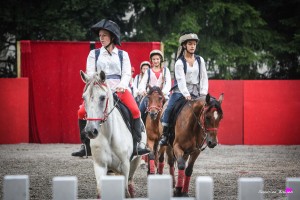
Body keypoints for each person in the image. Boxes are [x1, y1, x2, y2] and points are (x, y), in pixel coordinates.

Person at [72, 19, 150, 157]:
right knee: (80, 112)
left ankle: (137, 144)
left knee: (135, 110)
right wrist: (96, 83)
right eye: (100, 36)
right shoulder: (93, 54)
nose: (101, 38)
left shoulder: (123, 55)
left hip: (119, 89)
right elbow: (90, 73)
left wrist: (122, 86)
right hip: (99, 90)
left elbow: (126, 73)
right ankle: (85, 146)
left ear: (112, 37)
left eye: (104, 36)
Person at [159, 32, 208, 146]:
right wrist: (186, 94)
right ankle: (165, 135)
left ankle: (206, 133)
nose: (192, 46)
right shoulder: (179, 62)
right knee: (169, 108)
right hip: (180, 92)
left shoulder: (200, 60)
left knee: (208, 110)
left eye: (194, 44)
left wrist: (203, 93)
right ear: (184, 45)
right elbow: (180, 81)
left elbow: (204, 77)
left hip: (196, 92)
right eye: (190, 44)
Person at [137, 50, 172, 123]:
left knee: (171, 110)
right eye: (154, 59)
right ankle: (141, 128)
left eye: (157, 59)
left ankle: (169, 129)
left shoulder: (166, 70)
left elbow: (168, 83)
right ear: (151, 60)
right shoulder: (148, 71)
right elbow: (142, 83)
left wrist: (163, 92)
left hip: (163, 95)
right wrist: (142, 90)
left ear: (160, 60)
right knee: (141, 109)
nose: (156, 61)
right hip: (150, 96)